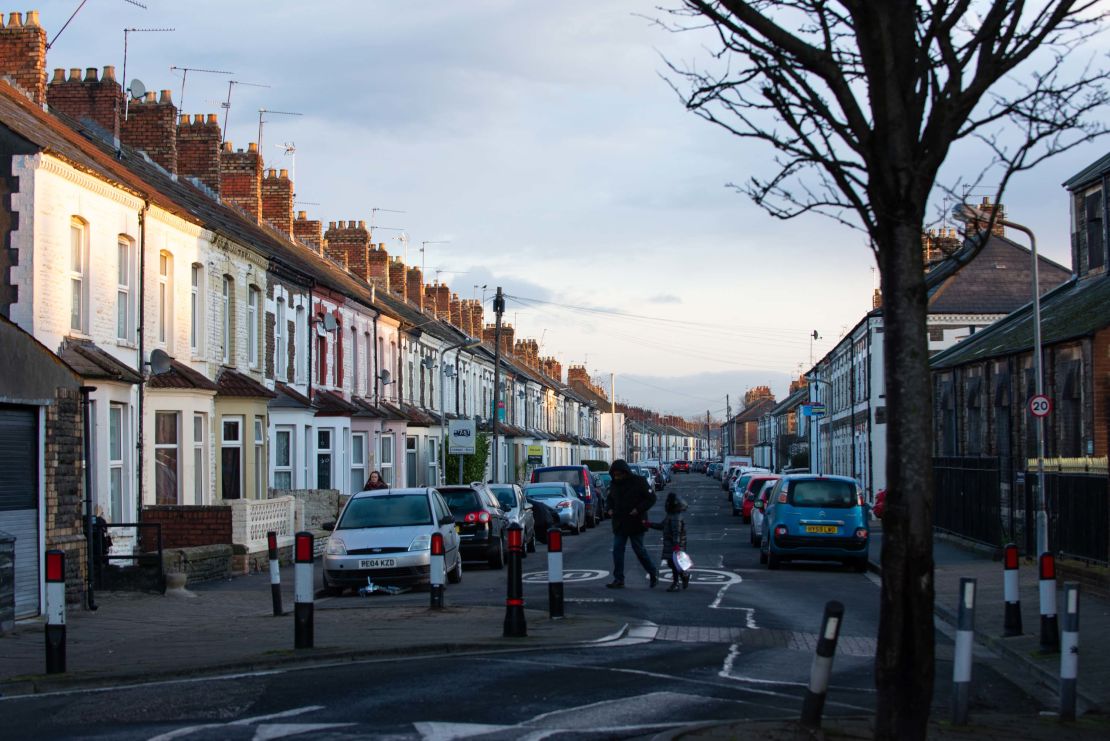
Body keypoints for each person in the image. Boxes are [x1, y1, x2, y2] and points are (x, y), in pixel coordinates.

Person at [605, 459, 658, 589]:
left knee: (639, 549)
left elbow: (651, 498)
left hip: (636, 522)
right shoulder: (614, 484)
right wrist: (609, 509)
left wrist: (638, 509)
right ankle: (619, 579)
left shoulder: (639, 481)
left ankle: (653, 573)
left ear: (625, 472)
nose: (617, 477)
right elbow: (609, 499)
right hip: (620, 523)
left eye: (619, 474)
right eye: (615, 475)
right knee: (617, 550)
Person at [649, 492, 689, 591]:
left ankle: (676, 583)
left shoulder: (675, 517)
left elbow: (677, 532)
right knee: (672, 563)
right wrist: (649, 524)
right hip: (671, 544)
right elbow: (662, 526)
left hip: (675, 544)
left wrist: (676, 545)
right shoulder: (671, 515)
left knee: (674, 563)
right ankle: (684, 576)